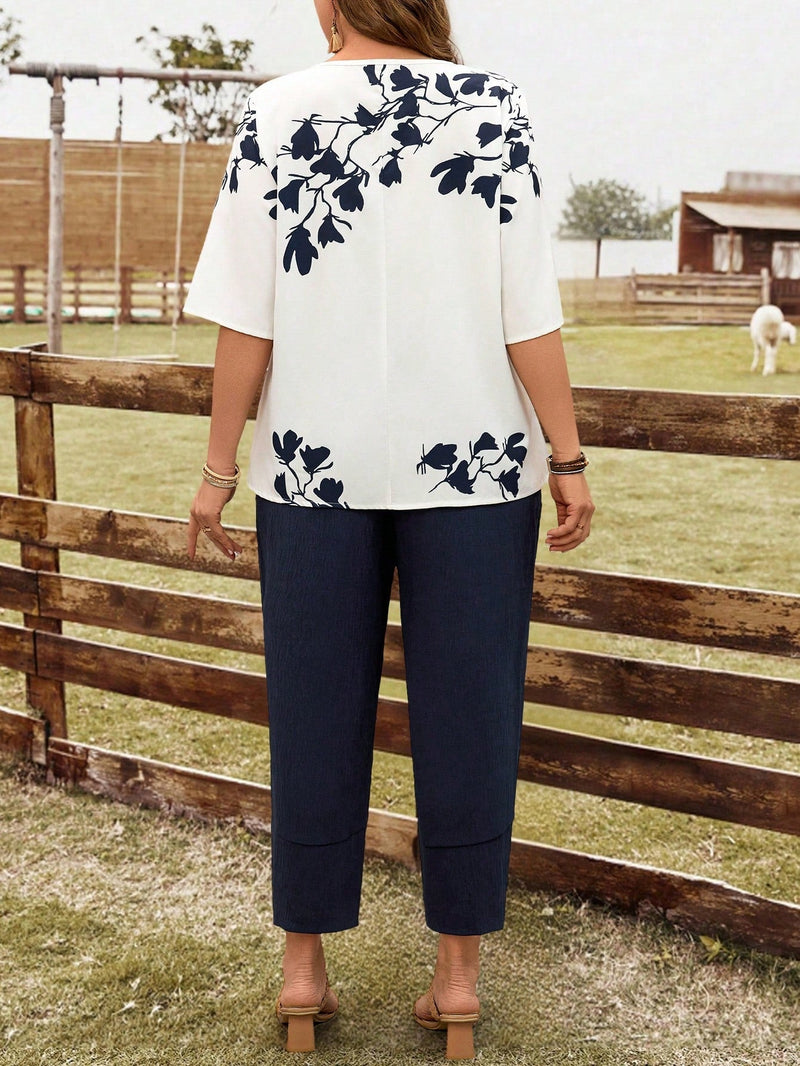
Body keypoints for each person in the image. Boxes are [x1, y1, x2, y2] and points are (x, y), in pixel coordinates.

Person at [184, 0, 594, 1058]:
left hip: (310, 467)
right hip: (474, 470)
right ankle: (455, 983)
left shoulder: (277, 110)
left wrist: (218, 469)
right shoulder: (492, 106)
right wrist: (566, 453)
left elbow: (247, 315)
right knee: (471, 710)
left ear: (329, 5)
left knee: (310, 707)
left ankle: (301, 970)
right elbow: (526, 309)